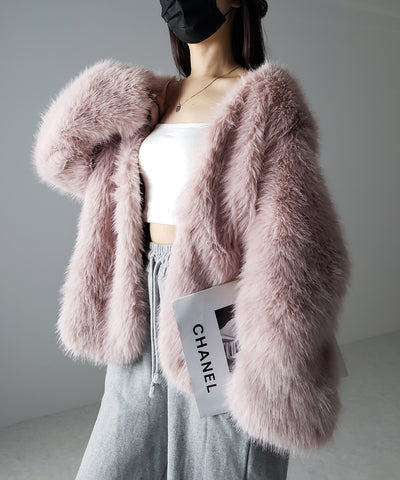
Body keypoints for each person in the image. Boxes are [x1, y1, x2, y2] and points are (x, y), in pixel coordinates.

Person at [32, 0, 352, 478]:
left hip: (216, 303)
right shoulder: (149, 101)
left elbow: (301, 242)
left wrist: (273, 358)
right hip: (139, 302)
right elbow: (59, 158)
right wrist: (112, 93)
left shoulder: (264, 100)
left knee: (221, 463)